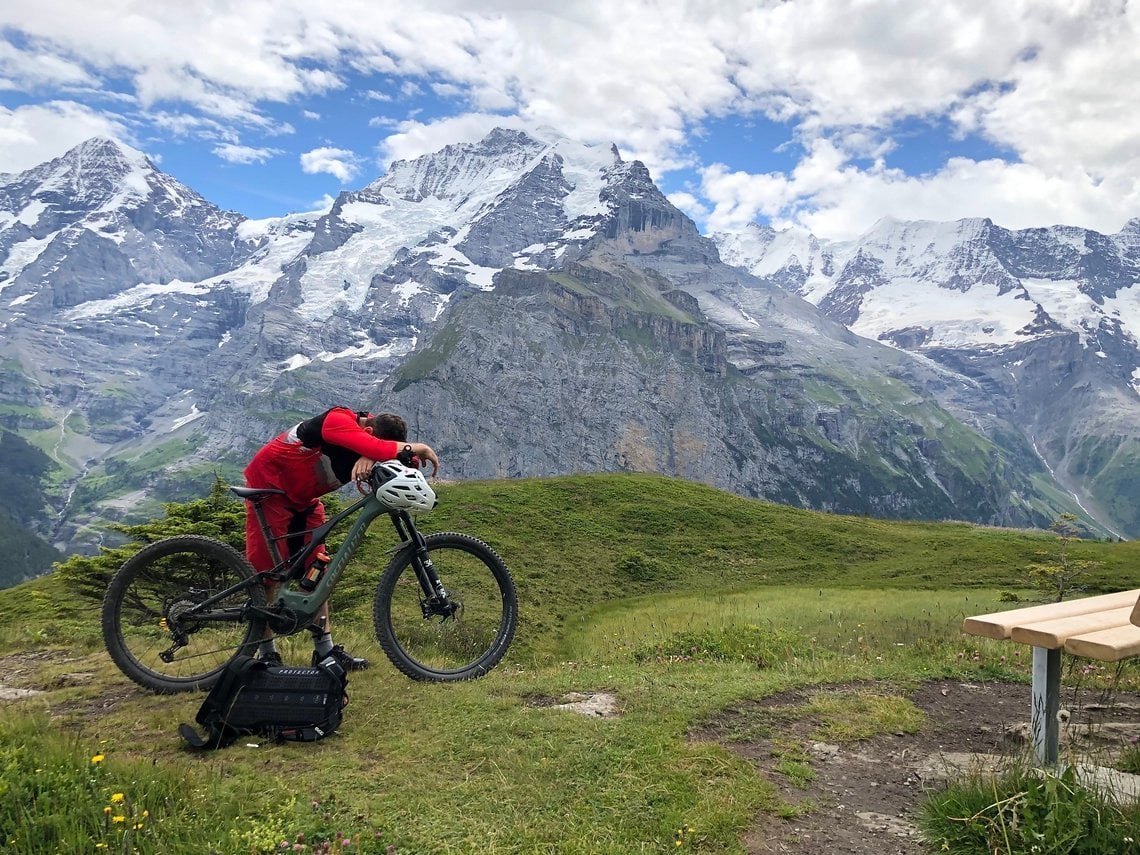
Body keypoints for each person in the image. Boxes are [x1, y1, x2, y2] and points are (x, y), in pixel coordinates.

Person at [242, 407, 440, 670]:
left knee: (317, 572)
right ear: (368, 432)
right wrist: (417, 448)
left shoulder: (368, 441)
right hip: (270, 492)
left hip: (303, 501)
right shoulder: (337, 419)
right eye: (371, 443)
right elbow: (382, 448)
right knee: (265, 577)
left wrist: (378, 453)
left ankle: (325, 653)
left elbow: (399, 459)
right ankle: (267, 653)